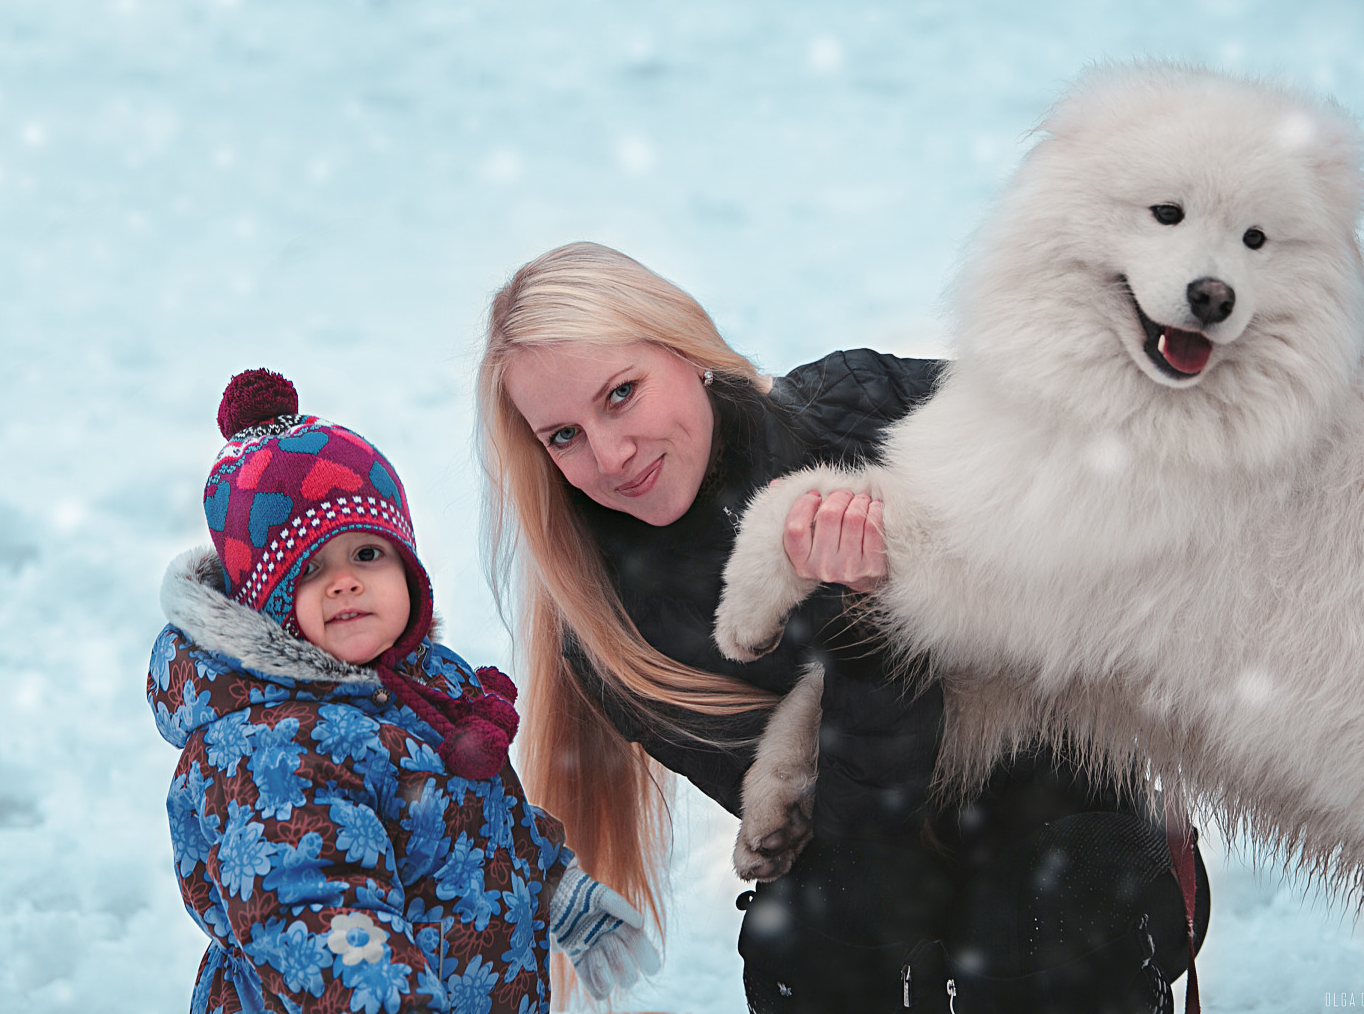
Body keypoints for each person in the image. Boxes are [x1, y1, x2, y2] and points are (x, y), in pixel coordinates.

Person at [477, 242, 1208, 1014]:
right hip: (876, 883)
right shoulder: (616, 637)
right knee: (807, 928)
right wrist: (867, 631)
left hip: (1060, 814)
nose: (611, 454)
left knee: (1039, 889)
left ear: (688, 353)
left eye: (621, 393)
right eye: (563, 436)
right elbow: (852, 839)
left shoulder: (861, 402)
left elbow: (1099, 442)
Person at [148, 368, 660, 1014]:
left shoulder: (422, 683)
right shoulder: (267, 749)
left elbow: (466, 820)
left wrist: (553, 884)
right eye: (309, 569)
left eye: (367, 555)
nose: (345, 583)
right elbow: (321, 916)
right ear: (266, 608)